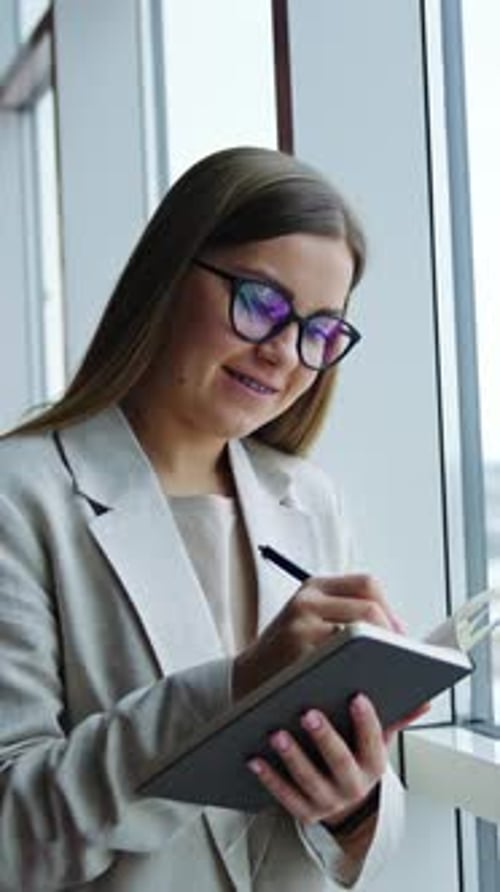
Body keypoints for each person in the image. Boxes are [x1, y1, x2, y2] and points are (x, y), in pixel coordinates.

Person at [0, 146, 412, 891]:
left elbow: (370, 834)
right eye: (259, 301)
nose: (284, 352)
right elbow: (11, 833)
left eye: (319, 331)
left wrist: (353, 806)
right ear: (169, 276)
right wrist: (234, 691)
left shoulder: (309, 499)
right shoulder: (20, 496)